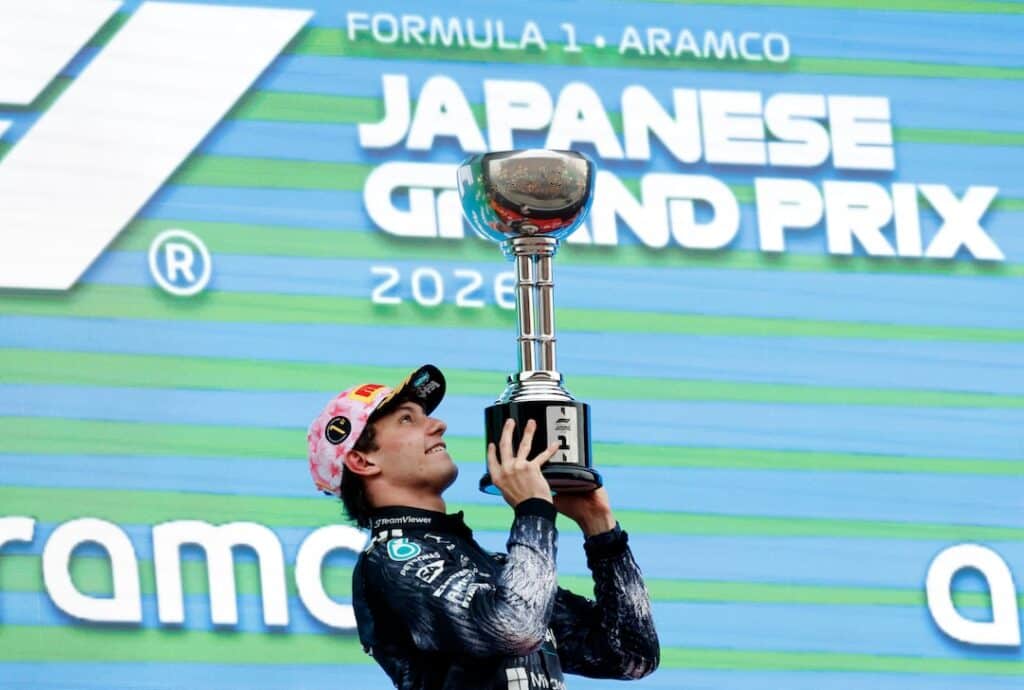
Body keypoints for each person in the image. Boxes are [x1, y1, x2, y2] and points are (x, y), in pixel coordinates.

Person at [307, 364, 660, 690]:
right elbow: (514, 627)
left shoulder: (489, 566)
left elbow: (631, 655)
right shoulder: (391, 561)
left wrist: (600, 530)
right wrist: (534, 511)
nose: (437, 424)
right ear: (362, 460)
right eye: (406, 420)